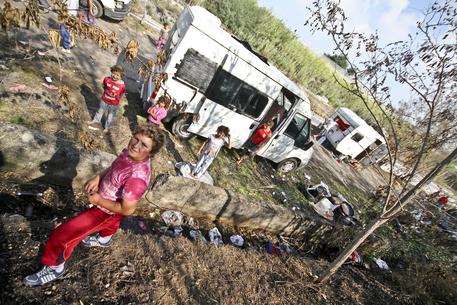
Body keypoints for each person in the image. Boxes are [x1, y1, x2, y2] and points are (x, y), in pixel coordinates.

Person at [24, 125, 166, 287]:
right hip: (106, 203)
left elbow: (127, 209)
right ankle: (104, 239)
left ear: (151, 153)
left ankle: (55, 268)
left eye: (144, 145)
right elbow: (115, 167)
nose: (135, 145)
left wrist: (98, 201)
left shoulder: (137, 178)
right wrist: (98, 178)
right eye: (136, 138)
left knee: (62, 235)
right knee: (111, 224)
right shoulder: (130, 153)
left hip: (107, 211)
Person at [89, 65, 126, 133]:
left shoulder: (122, 86)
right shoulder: (107, 79)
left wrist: (116, 98)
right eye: (113, 73)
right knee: (100, 111)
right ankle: (96, 120)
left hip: (113, 104)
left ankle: (107, 127)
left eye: (117, 75)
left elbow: (121, 94)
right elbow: (104, 86)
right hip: (104, 100)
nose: (115, 76)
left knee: (110, 116)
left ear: (121, 77)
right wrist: (107, 93)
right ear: (111, 72)